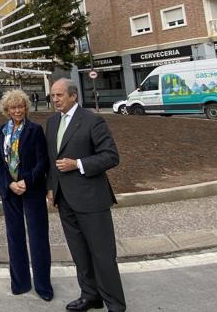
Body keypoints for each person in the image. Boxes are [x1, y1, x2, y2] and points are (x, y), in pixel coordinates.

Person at [46, 78, 126, 312]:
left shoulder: (92, 121)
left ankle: (115, 305)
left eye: (60, 95)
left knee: (102, 255)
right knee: (79, 253)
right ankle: (90, 295)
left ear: (74, 96)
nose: (55, 99)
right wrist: (50, 188)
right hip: (64, 200)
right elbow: (52, 160)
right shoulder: (51, 123)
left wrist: (78, 163)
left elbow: (111, 156)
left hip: (92, 200)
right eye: (53, 96)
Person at [0, 90, 53, 301]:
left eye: (20, 107)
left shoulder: (35, 130)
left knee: (38, 239)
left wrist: (25, 181)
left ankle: (43, 286)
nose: (17, 110)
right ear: (7, 110)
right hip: (10, 192)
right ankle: (20, 283)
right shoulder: (2, 131)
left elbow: (42, 162)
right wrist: (9, 183)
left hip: (32, 190)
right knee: (15, 238)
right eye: (13, 107)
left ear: (26, 108)